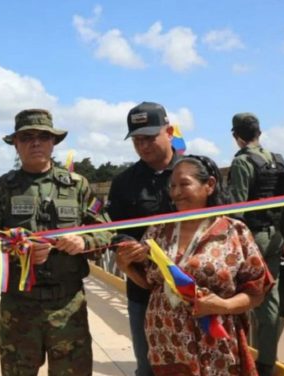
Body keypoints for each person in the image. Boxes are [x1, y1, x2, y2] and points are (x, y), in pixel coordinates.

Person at [0, 109, 111, 375]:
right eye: (27, 137)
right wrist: (16, 253)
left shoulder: (76, 185)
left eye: (43, 137)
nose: (35, 143)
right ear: (16, 144)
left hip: (68, 304)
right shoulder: (2, 188)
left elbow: (107, 230)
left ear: (53, 142)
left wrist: (84, 241)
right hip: (19, 307)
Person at [116, 155, 273, 376]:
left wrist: (224, 306)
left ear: (209, 185)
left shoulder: (234, 232)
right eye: (172, 186)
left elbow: (257, 290)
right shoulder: (158, 231)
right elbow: (151, 285)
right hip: (165, 341)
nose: (176, 192)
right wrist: (126, 267)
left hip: (215, 341)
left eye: (184, 184)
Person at [105, 101, 180, 376]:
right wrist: (127, 246)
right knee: (148, 367)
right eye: (137, 140)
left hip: (193, 291)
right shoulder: (124, 182)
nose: (144, 146)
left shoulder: (195, 173)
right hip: (144, 290)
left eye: (150, 138)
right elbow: (114, 230)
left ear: (169, 131)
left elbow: (223, 224)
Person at [227, 113, 284, 376]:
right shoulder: (279, 160)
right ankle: (266, 363)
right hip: (275, 235)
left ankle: (235, 357)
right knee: (270, 300)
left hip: (252, 239)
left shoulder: (242, 162)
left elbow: (238, 208)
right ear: (259, 133)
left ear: (236, 136)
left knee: (233, 296)